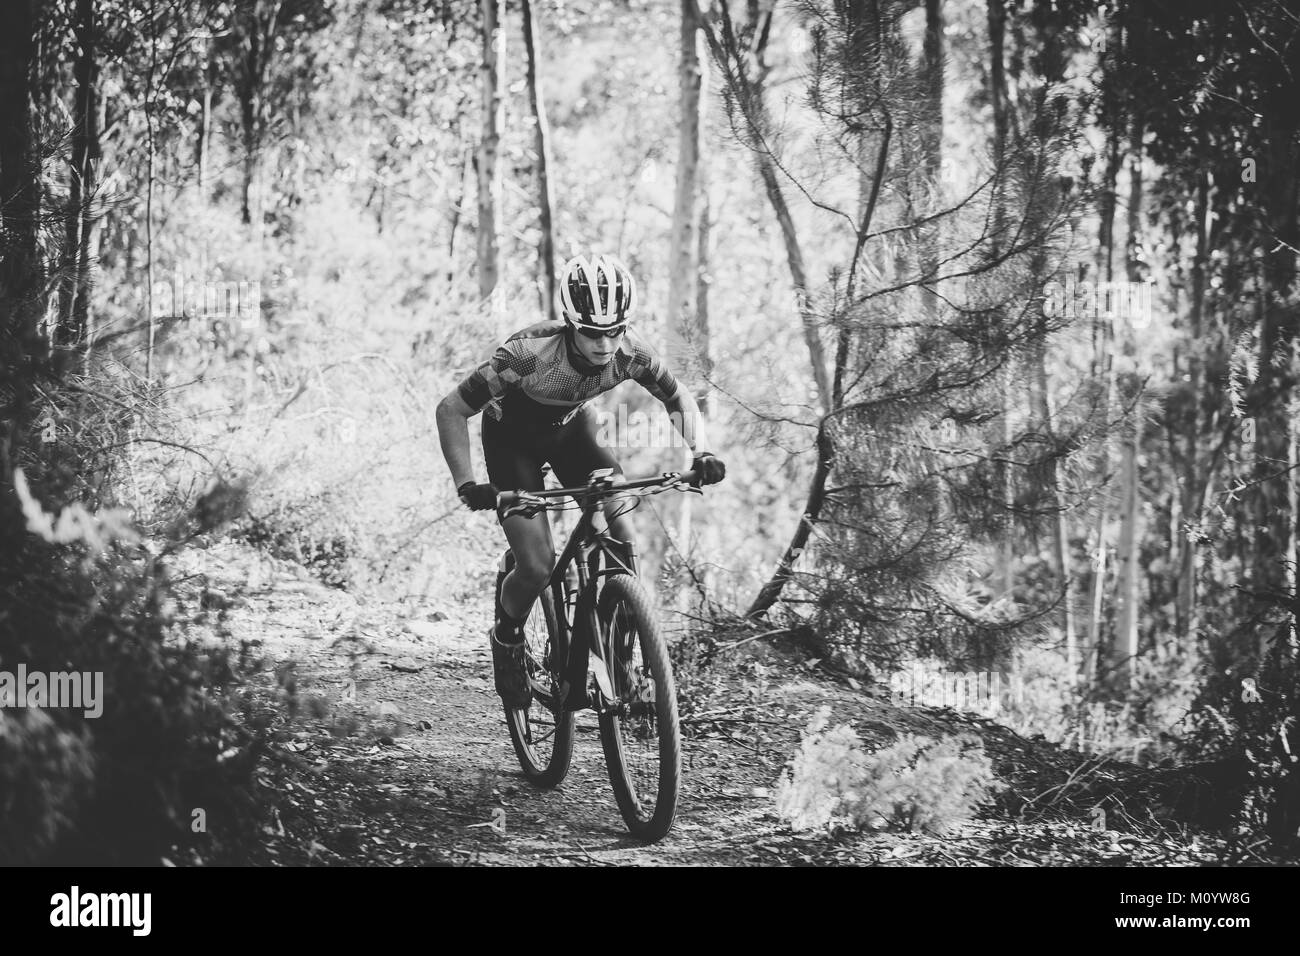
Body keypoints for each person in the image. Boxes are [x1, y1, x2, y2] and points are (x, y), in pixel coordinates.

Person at [435, 253, 726, 709]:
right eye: (593, 332)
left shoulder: (631, 352)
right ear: (571, 323)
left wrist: (701, 450)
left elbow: (677, 396)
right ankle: (507, 637)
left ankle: (620, 660)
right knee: (537, 565)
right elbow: (451, 409)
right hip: (512, 443)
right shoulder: (526, 355)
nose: (606, 344)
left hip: (572, 433)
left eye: (615, 331)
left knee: (623, 535)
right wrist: (467, 483)